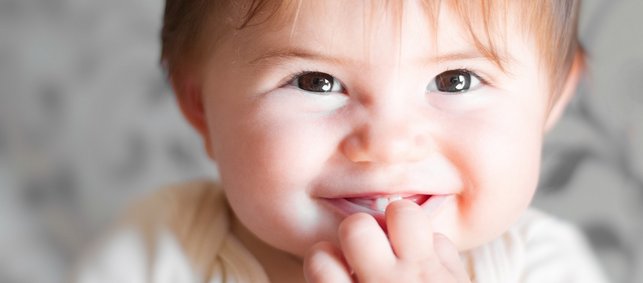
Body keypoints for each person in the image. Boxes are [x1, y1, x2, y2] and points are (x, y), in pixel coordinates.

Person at [76, 0, 610, 282]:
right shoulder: (157, 251)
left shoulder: (543, 267)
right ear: (200, 107)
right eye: (315, 82)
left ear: (553, 100)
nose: (388, 144)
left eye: (456, 80)